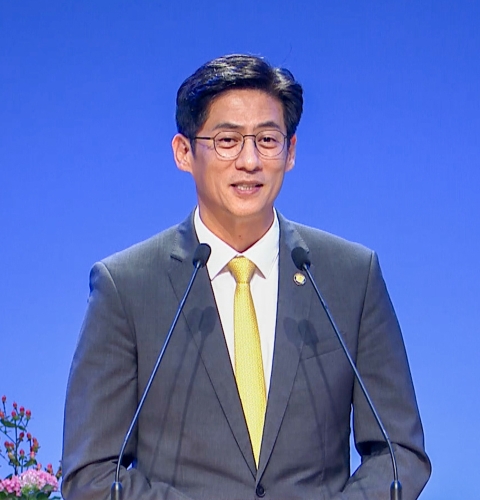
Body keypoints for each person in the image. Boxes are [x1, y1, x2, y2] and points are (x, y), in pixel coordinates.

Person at [62, 54, 431, 500]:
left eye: (268, 140)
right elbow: (92, 472)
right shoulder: (126, 286)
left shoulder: (351, 275)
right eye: (227, 141)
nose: (250, 160)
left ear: (290, 152)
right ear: (184, 152)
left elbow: (398, 453)